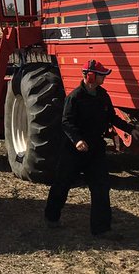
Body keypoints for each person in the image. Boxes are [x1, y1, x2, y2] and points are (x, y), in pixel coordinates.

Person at [44, 58, 131, 236]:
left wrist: (131, 129)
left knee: (101, 187)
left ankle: (101, 229)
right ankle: (51, 217)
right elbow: (66, 122)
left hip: (95, 149)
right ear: (90, 76)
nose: (104, 78)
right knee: (62, 183)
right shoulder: (74, 97)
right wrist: (77, 140)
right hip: (73, 151)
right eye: (101, 75)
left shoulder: (102, 95)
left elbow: (112, 117)